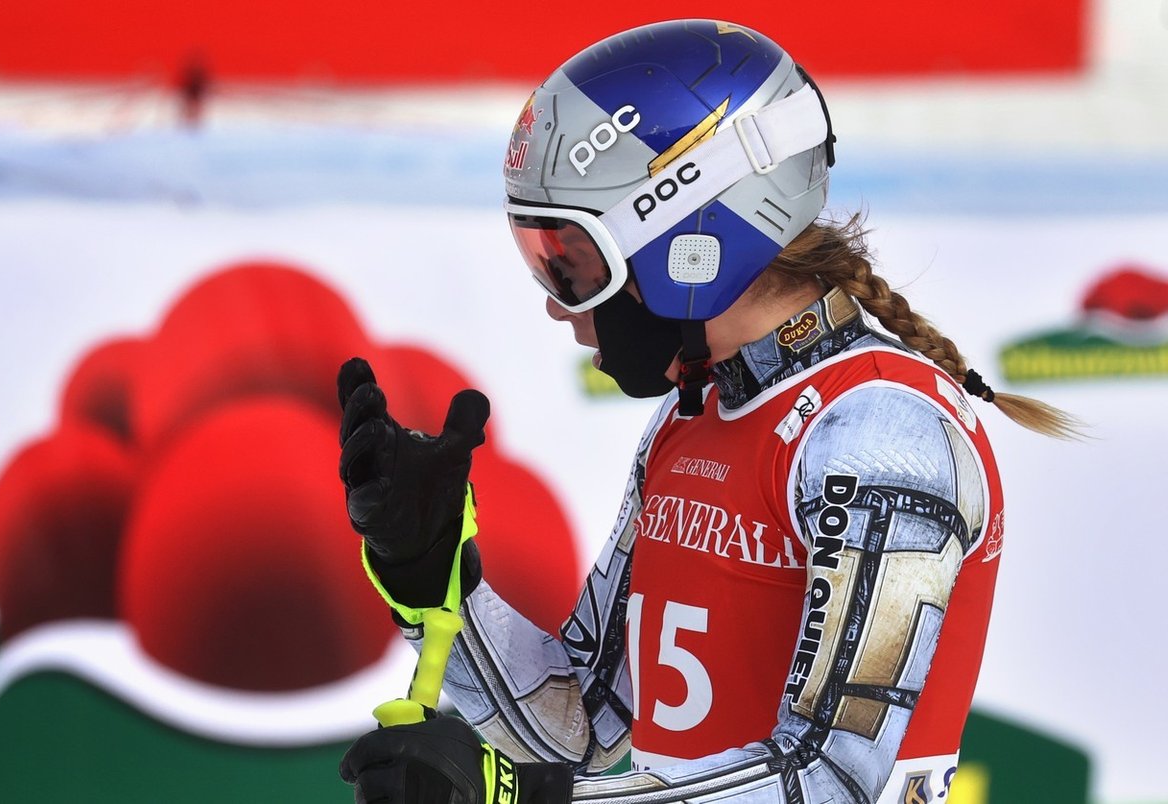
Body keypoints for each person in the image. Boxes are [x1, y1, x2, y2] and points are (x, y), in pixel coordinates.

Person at [335, 19, 1078, 804]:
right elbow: (584, 724)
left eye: (573, 264)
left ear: (692, 236)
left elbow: (833, 781)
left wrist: (518, 800)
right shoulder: (698, 414)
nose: (561, 310)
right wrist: (430, 574)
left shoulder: (879, 432)